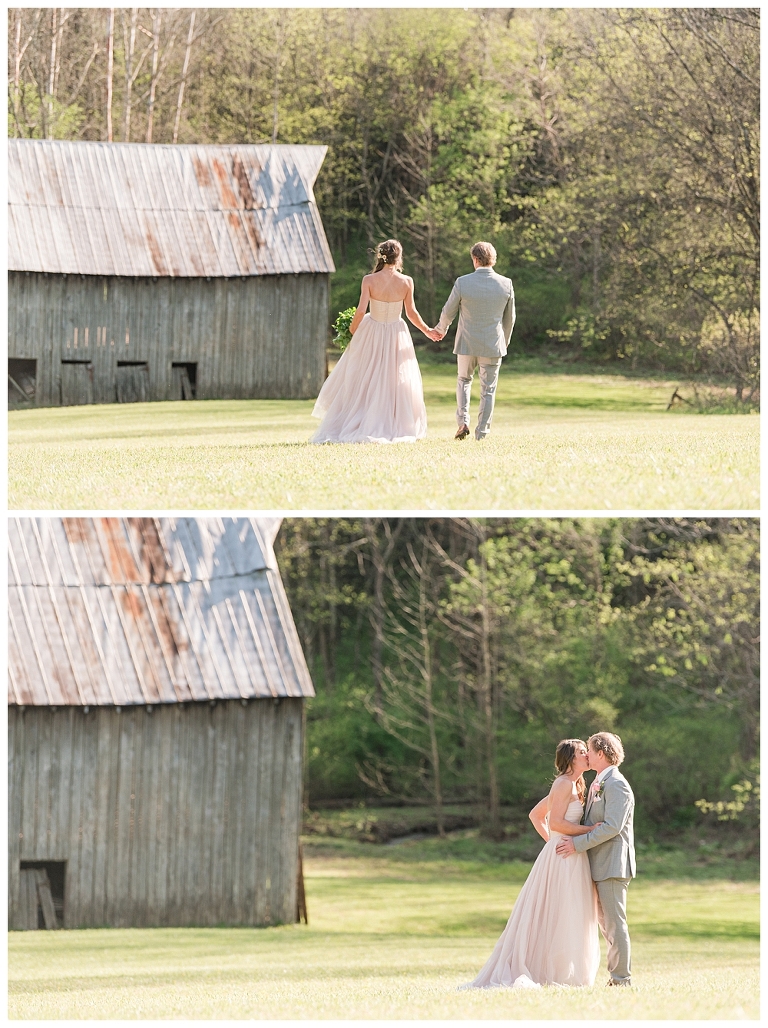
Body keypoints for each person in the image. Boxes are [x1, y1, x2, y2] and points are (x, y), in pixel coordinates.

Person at [461, 739, 601, 989]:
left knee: (570, 912)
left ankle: (564, 970)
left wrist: (555, 841)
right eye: (582, 752)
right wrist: (581, 832)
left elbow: (536, 814)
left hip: (572, 855)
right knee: (556, 910)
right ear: (571, 758)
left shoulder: (577, 783)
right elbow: (555, 822)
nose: (587, 756)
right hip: (562, 859)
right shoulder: (562, 784)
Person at [311, 239, 436, 444]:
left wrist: (351, 331)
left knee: (363, 377)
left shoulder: (369, 280)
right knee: (395, 378)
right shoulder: (406, 281)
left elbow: (361, 311)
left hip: (371, 331)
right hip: (396, 332)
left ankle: (362, 418)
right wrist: (428, 330)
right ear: (399, 257)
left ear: (381, 256)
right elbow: (411, 313)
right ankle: (396, 423)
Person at [556, 732, 636, 987]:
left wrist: (577, 844)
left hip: (612, 864)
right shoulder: (598, 783)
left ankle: (621, 979)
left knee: (614, 924)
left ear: (600, 754)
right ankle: (617, 977)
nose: (586, 755)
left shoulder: (616, 784)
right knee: (606, 925)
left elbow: (612, 827)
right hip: (599, 864)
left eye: (589, 750)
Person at [432, 242, 515, 441]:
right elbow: (510, 319)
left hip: (466, 343)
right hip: (493, 344)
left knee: (463, 381)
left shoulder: (463, 282)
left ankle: (463, 422)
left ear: (475, 259)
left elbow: (448, 311)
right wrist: (504, 341)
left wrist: (440, 330)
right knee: (488, 389)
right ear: (493, 259)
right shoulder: (506, 283)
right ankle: (482, 433)